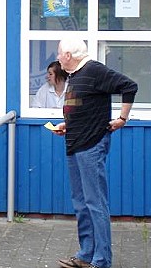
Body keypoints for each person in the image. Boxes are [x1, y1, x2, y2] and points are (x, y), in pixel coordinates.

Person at [50, 37, 137, 268]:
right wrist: (67, 125)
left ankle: (102, 260)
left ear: (68, 55)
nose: (57, 58)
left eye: (59, 54)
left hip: (91, 146)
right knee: (80, 202)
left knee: (95, 202)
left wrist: (122, 118)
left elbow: (129, 86)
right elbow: (87, 109)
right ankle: (86, 254)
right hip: (75, 142)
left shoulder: (95, 70)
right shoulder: (76, 75)